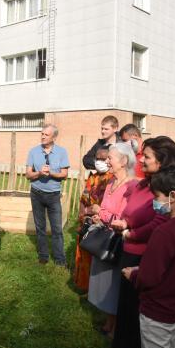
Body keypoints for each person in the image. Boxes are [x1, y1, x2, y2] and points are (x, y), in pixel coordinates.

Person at [111, 136, 175, 348]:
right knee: (127, 306)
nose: (141, 160)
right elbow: (134, 212)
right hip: (129, 248)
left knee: (139, 310)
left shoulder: (164, 189)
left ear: (161, 161)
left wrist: (132, 232)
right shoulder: (145, 184)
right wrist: (126, 223)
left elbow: (159, 222)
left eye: (147, 156)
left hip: (144, 254)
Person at [122, 165, 175, 348]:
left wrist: (134, 274)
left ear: (172, 196)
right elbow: (173, 268)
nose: (155, 202)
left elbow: (149, 277)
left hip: (157, 312)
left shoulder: (164, 232)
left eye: (156, 197)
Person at [88, 143, 138, 337]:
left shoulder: (132, 186)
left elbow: (122, 218)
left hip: (117, 243)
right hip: (104, 240)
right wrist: (98, 216)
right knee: (106, 282)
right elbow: (108, 211)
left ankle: (117, 326)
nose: (106, 161)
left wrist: (99, 211)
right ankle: (110, 321)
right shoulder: (110, 183)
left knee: (114, 284)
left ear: (124, 161)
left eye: (110, 158)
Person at [26, 123, 70, 266]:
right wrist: (39, 173)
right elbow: (28, 174)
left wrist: (51, 173)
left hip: (53, 195)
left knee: (57, 229)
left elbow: (64, 174)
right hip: (36, 194)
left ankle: (59, 260)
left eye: (46, 134)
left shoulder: (62, 152)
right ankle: (43, 256)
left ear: (54, 137)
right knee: (40, 228)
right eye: (42, 134)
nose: (43, 136)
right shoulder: (33, 151)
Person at [73, 146, 113, 292]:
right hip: (86, 221)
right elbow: (84, 199)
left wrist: (92, 213)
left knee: (94, 257)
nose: (100, 162)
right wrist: (82, 215)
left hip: (100, 224)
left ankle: (94, 289)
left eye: (103, 159)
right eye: (98, 158)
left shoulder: (112, 180)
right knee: (82, 253)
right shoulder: (92, 177)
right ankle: (82, 285)